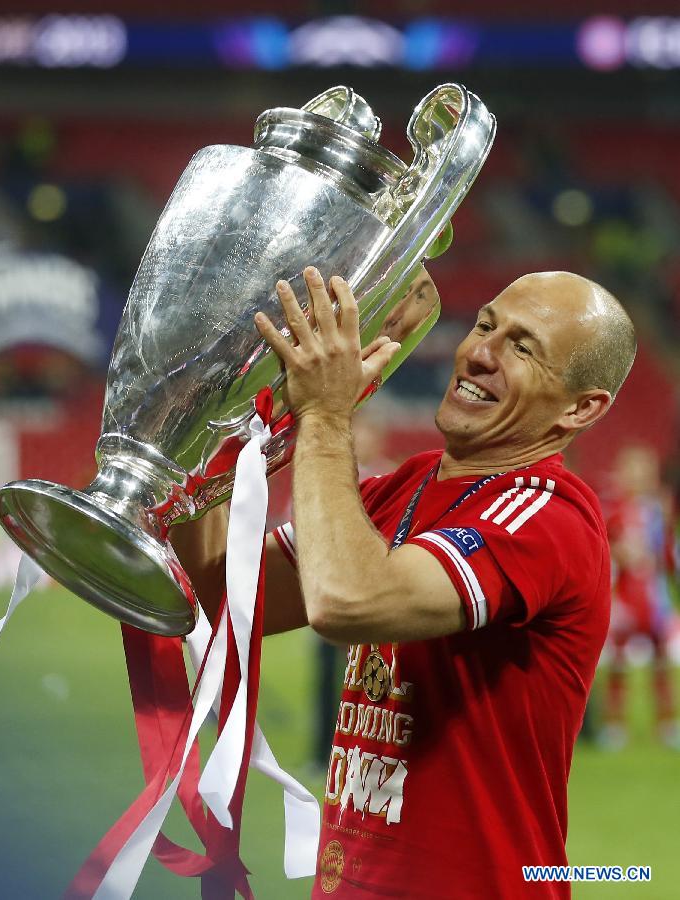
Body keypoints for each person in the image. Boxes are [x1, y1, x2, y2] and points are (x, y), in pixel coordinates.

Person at [173, 266, 636, 899]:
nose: (478, 354)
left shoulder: (546, 514)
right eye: (485, 325)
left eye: (522, 347)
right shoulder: (409, 486)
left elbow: (349, 602)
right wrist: (212, 427)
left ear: (582, 407)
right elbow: (221, 593)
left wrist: (325, 414)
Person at [601, 444, 678, 749]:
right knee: (618, 661)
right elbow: (603, 547)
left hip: (654, 598)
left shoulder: (658, 509)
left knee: (661, 662)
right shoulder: (613, 508)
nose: (638, 476)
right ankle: (614, 725)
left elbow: (667, 552)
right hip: (625, 597)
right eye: (632, 470)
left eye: (644, 471)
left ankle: (668, 723)